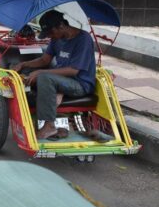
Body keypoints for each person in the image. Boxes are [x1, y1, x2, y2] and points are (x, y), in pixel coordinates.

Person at [11, 10, 96, 139]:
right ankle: (48, 121)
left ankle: (49, 126)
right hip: (61, 80)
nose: (50, 36)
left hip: (80, 83)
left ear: (61, 26)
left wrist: (41, 72)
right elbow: (44, 60)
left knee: (43, 77)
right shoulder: (57, 39)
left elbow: (73, 70)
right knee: (27, 75)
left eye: (51, 33)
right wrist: (24, 65)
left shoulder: (83, 39)